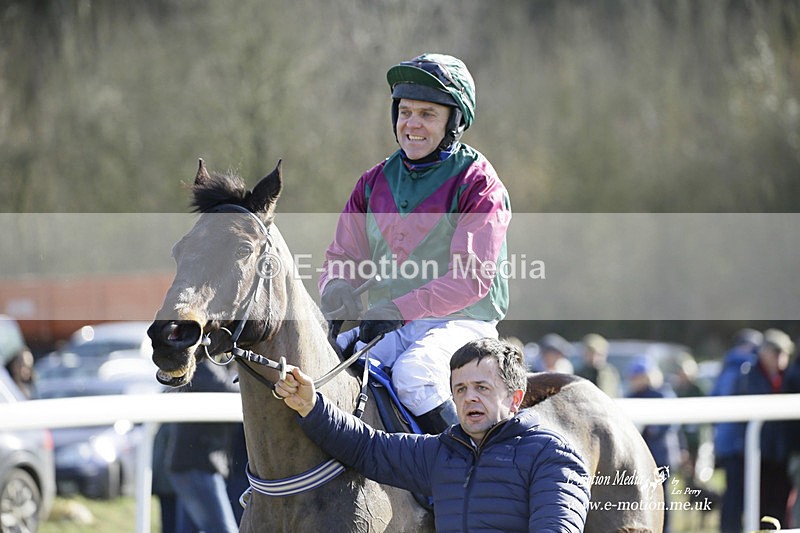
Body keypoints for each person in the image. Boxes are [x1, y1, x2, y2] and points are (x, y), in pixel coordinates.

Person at [318, 53, 511, 434]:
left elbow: (469, 280)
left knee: (413, 376)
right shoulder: (373, 182)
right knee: (328, 361)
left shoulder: (478, 182)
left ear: (454, 122)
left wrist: (397, 309)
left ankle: (469, 465)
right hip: (393, 320)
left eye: (427, 114)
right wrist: (336, 284)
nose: (412, 124)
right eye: (405, 112)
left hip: (463, 321)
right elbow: (343, 255)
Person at [275, 337, 590, 531]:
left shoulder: (552, 456)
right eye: (460, 389)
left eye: (482, 388)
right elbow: (368, 447)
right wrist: (310, 405)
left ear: (515, 398)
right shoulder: (442, 451)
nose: (469, 398)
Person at [166, 359, 241, 533]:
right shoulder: (202, 365)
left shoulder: (209, 365)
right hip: (198, 466)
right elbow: (229, 389)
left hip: (193, 465)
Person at [735, 328, 794, 527]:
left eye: (784, 353)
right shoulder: (749, 374)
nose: (780, 358)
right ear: (765, 352)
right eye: (776, 352)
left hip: (781, 451)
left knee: (781, 502)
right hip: (757, 451)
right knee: (758, 502)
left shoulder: (790, 375)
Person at [711, 327, 762, 533]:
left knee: (732, 492)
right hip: (738, 442)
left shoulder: (726, 366)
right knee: (737, 494)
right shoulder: (744, 367)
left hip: (725, 441)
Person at [626, 357, 681, 533]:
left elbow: (671, 423)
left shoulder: (662, 394)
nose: (634, 381)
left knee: (661, 497)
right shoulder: (631, 397)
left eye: (638, 377)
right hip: (639, 458)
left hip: (661, 456)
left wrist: (652, 429)